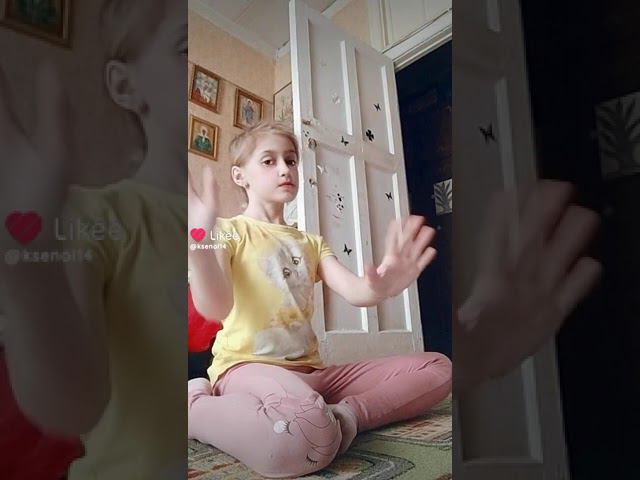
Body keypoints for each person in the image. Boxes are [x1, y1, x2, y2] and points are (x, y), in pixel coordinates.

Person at [187, 121, 453, 478]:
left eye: (291, 160)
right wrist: (200, 251)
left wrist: (383, 286)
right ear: (240, 176)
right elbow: (215, 306)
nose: (285, 169)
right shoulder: (226, 230)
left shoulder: (311, 242)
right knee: (305, 442)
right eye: (269, 161)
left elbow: (356, 291)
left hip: (314, 373)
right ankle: (194, 404)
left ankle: (347, 415)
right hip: (247, 366)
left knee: (439, 367)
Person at [0, 0, 187, 478]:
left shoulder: (216, 227)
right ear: (125, 86)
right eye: (186, 49)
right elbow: (72, 406)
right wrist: (27, 270)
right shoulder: (97, 216)